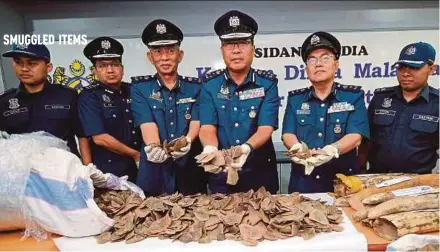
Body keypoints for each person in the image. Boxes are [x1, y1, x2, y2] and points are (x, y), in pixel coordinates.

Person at [199, 10, 280, 194]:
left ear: (253, 48)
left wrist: (245, 148)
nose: (236, 50)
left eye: (243, 42)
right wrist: (210, 148)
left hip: (261, 173)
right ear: (222, 50)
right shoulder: (209, 85)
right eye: (229, 44)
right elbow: (207, 126)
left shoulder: (267, 84)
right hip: (222, 172)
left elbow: (266, 128)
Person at [281, 31, 369, 193]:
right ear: (306, 68)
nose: (318, 63)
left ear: (336, 65)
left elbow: (356, 136)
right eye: (312, 59)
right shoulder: (295, 100)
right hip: (303, 183)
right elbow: (288, 133)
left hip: (343, 183)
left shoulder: (353, 97)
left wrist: (332, 150)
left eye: (325, 58)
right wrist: (297, 148)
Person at [130, 19, 207, 196]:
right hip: (154, 172)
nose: (164, 57)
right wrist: (154, 147)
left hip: (189, 171)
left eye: (170, 51)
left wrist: (187, 140)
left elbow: (197, 120)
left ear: (180, 55)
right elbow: (146, 123)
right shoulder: (139, 89)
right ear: (150, 57)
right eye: (158, 51)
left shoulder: (196, 87)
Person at [0, 42, 91, 164]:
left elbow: (82, 136)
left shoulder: (67, 96)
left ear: (48, 67)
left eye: (32, 63)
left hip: (65, 171)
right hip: (25, 174)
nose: (24, 68)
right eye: (18, 62)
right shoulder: (4, 101)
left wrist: (88, 170)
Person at [361, 42, 439, 174]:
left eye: (414, 67)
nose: (406, 73)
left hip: (417, 183)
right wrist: (361, 169)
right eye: (402, 67)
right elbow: (365, 140)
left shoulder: (437, 104)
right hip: (376, 177)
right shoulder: (380, 98)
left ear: (431, 69)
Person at [78, 37, 140, 181]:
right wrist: (135, 155)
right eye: (103, 66)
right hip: (109, 173)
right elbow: (100, 138)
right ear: (94, 70)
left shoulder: (134, 90)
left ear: (122, 68)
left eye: (114, 65)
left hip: (140, 169)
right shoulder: (89, 96)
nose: (110, 70)